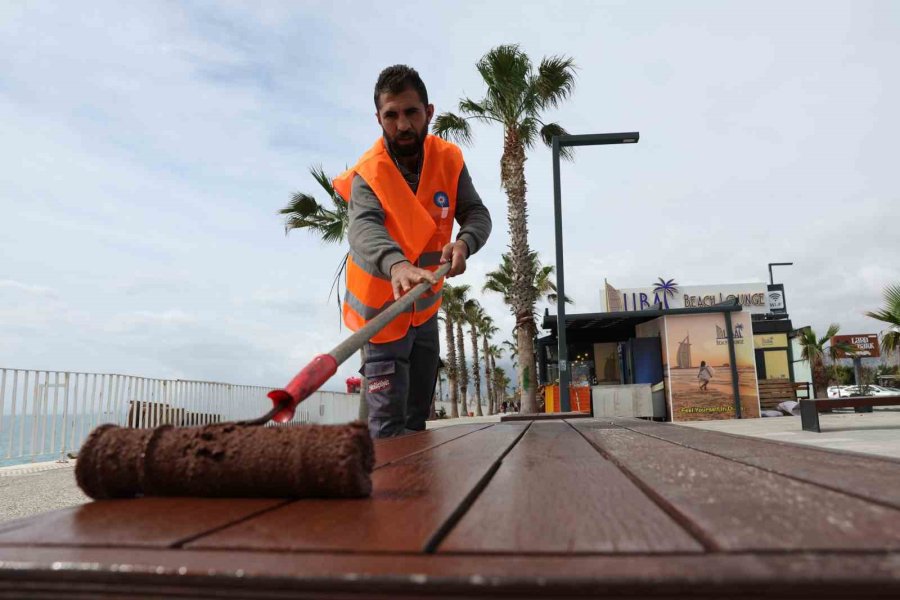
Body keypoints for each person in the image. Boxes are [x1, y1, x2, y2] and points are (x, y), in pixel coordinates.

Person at [333, 65, 492, 438]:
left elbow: (476, 213)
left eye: (411, 113)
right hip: (381, 314)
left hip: (424, 311)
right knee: (388, 429)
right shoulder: (367, 174)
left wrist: (465, 241)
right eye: (391, 115)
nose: (402, 125)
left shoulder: (449, 159)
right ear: (379, 118)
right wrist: (396, 264)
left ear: (429, 112)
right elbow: (363, 227)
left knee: (417, 421)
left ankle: (419, 497)